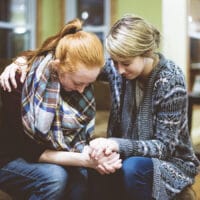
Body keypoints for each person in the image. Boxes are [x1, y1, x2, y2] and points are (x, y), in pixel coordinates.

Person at [1, 15, 199, 200]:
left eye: (126, 63)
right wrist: (23, 61)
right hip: (123, 151)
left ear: (146, 53)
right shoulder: (118, 68)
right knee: (90, 173)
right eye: (114, 61)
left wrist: (115, 144)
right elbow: (73, 62)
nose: (118, 70)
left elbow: (165, 147)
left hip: (167, 160)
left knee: (132, 167)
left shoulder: (170, 80)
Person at [0, 18, 122, 200]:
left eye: (88, 84)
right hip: (9, 158)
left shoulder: (79, 81)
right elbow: (29, 150)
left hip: (45, 155)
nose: (82, 90)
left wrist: (98, 157)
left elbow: (122, 68)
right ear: (57, 67)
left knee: (81, 177)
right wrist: (87, 160)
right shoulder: (18, 82)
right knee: (55, 177)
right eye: (78, 83)